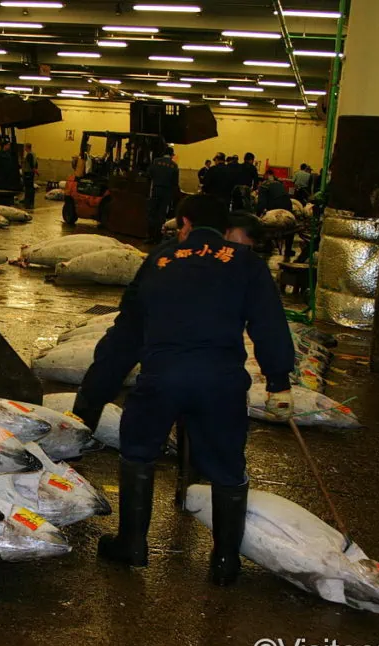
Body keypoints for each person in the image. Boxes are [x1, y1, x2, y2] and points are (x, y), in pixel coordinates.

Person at [71, 194, 295, 585]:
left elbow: (127, 334)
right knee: (227, 467)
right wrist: (279, 382)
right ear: (225, 229)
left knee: (138, 452)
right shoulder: (246, 262)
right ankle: (225, 562)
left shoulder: (158, 259)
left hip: (163, 378)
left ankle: (133, 546)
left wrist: (93, 394)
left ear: (185, 224)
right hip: (220, 381)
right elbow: (270, 325)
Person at [257, 169, 296, 260]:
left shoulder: (264, 186)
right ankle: (288, 250)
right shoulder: (279, 184)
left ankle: (267, 246)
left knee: (265, 224)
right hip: (288, 209)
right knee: (290, 225)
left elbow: (261, 204)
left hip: (276, 210)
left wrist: (258, 216)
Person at [145, 147, 179, 244]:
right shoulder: (174, 166)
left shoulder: (156, 161)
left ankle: (149, 236)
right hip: (166, 193)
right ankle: (158, 238)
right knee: (161, 215)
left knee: (152, 213)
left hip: (155, 190)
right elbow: (175, 184)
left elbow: (148, 174)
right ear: (172, 155)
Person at [21, 142, 38, 210]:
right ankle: (29, 201)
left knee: (28, 188)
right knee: (30, 187)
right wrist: (35, 170)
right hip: (31, 173)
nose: (24, 148)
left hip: (28, 173)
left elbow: (30, 164)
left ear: (26, 147)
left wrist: (34, 170)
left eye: (25, 147)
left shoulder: (29, 155)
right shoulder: (34, 154)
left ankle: (28, 202)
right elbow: (36, 163)